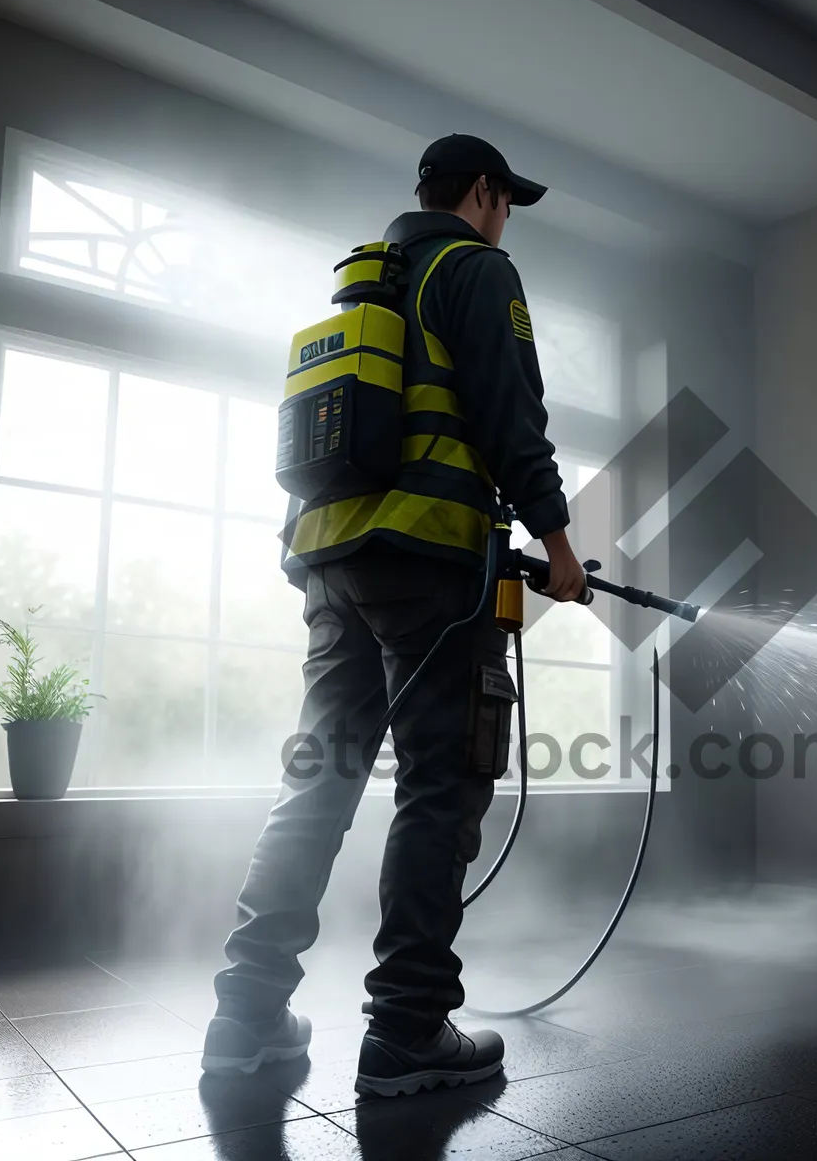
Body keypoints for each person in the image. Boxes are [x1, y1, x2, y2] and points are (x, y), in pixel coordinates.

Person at [201, 134, 588, 1095]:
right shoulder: (475, 269)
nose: (507, 221)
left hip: (333, 569)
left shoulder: (364, 289)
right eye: (507, 202)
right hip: (427, 572)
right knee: (440, 786)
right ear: (485, 193)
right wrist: (563, 545)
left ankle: (244, 1017)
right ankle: (408, 1030)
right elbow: (509, 413)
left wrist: (324, 572)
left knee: (319, 785)